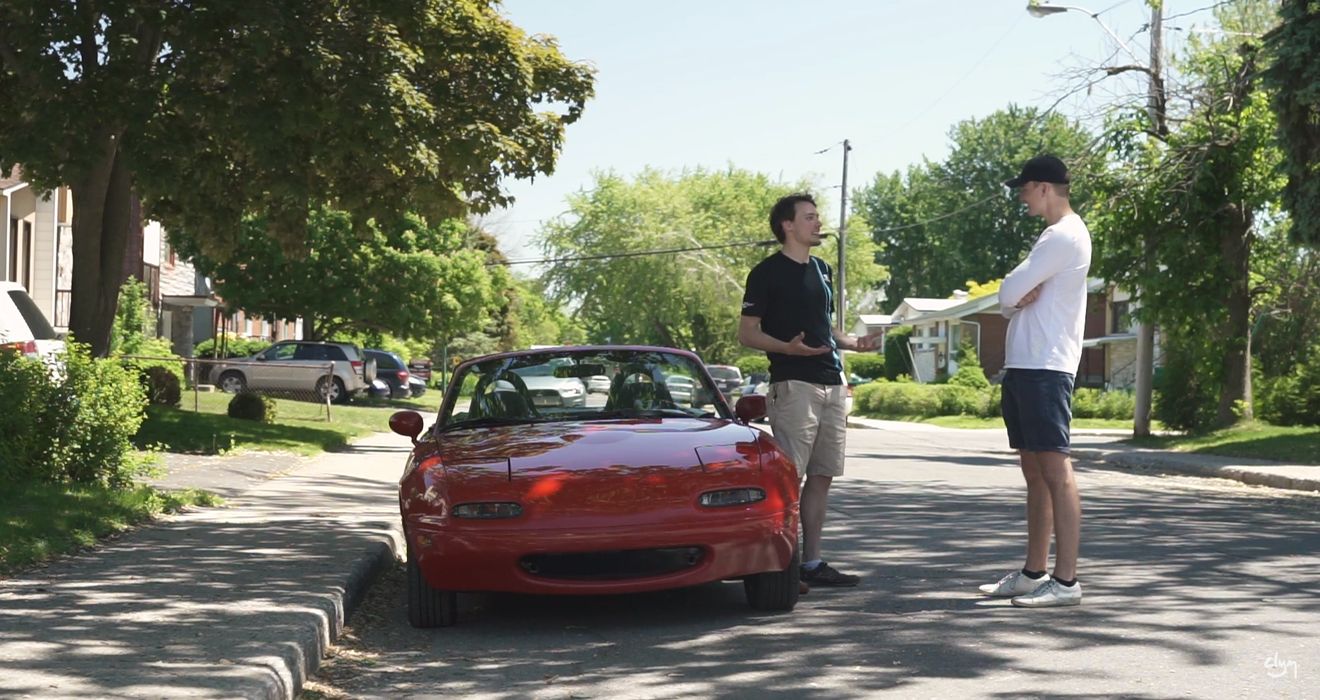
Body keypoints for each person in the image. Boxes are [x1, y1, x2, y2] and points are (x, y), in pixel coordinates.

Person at [738, 193, 881, 589]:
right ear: (787, 225)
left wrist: (854, 343)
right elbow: (747, 333)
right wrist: (788, 348)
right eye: (810, 217)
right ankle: (782, 565)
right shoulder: (765, 273)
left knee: (822, 475)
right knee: (791, 479)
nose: (819, 224)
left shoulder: (821, 269)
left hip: (832, 384)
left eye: (818, 217)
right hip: (793, 385)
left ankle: (812, 563)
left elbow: (826, 329)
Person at [980, 154, 1092, 608]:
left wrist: (1012, 298)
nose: (1021, 197)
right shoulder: (1050, 237)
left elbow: (1008, 292)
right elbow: (1009, 301)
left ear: (1043, 187)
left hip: (1047, 367)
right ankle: (1033, 572)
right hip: (1026, 365)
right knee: (1033, 472)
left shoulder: (1065, 236)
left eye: (1024, 189)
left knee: (1055, 471)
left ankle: (1066, 583)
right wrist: (1012, 300)